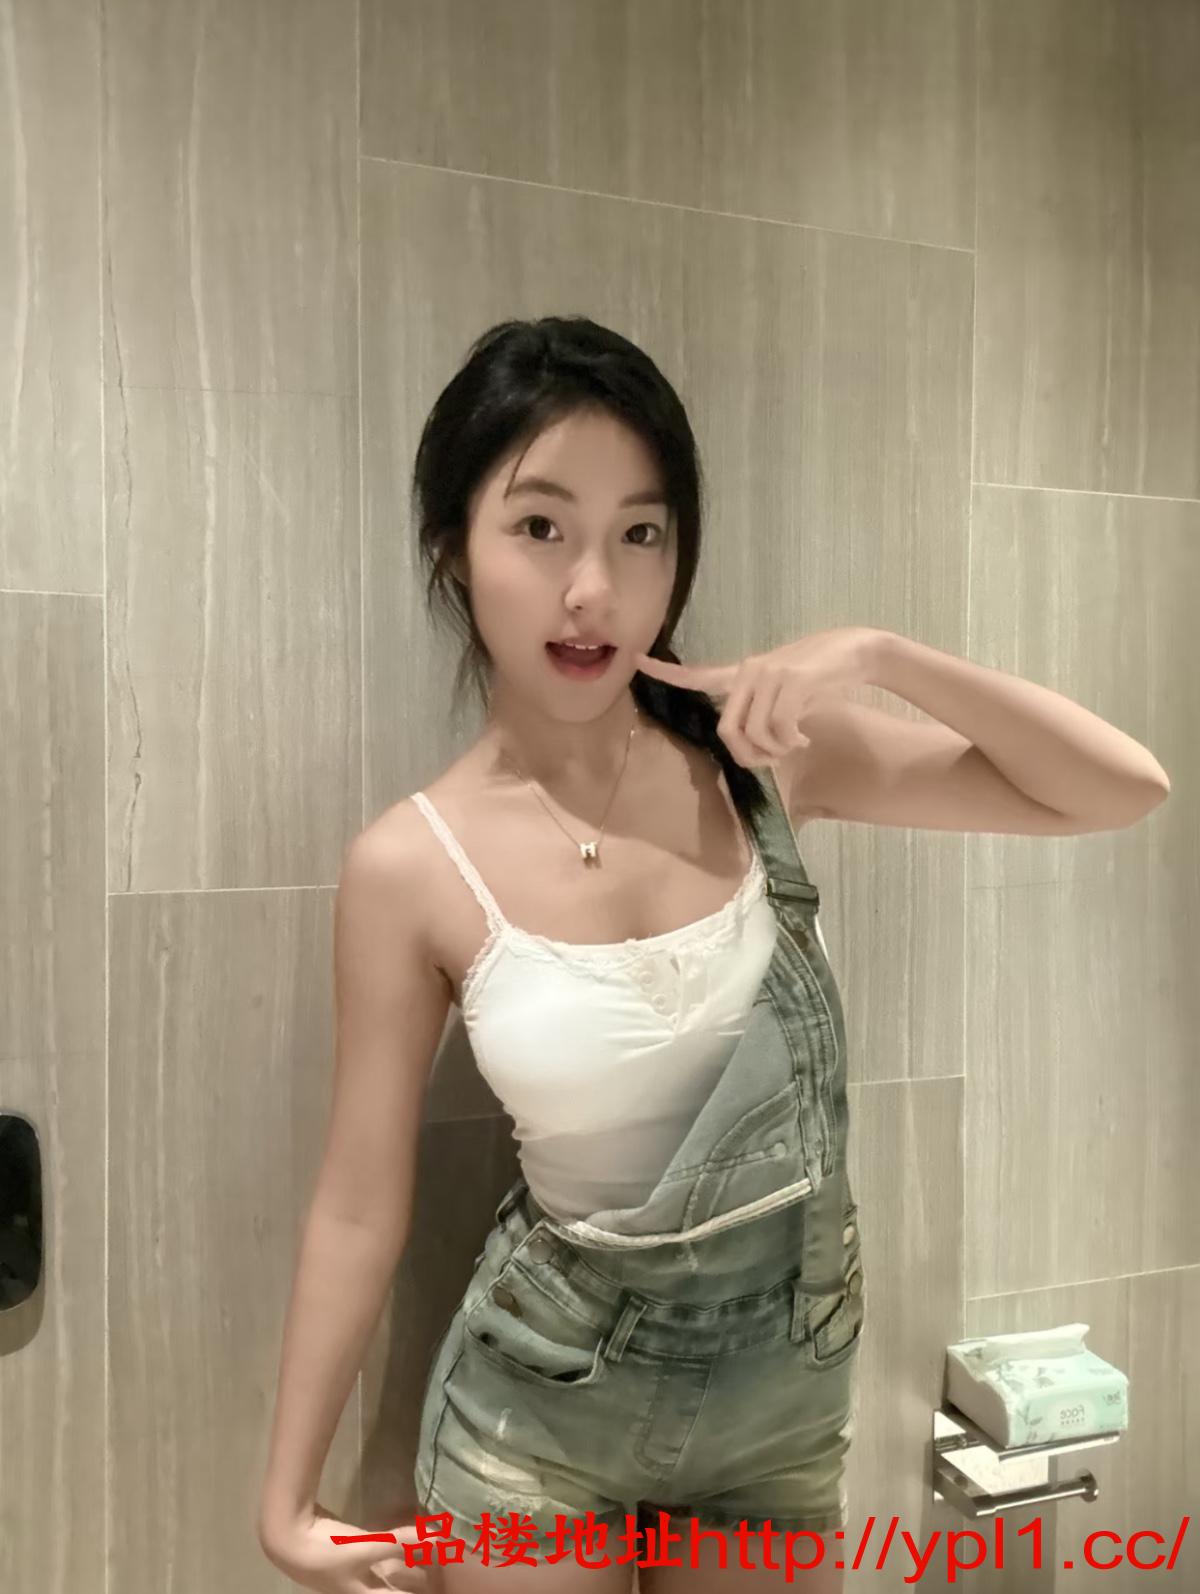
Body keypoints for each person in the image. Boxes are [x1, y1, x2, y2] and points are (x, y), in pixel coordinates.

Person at [257, 317, 865, 1592]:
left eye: (640, 533)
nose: (594, 589)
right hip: (534, 1417)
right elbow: (359, 1199)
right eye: (540, 527)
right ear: (454, 546)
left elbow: (1118, 786)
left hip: (779, 1412)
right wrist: (286, 1503)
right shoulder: (410, 865)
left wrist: (875, 653)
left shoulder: (761, 765)